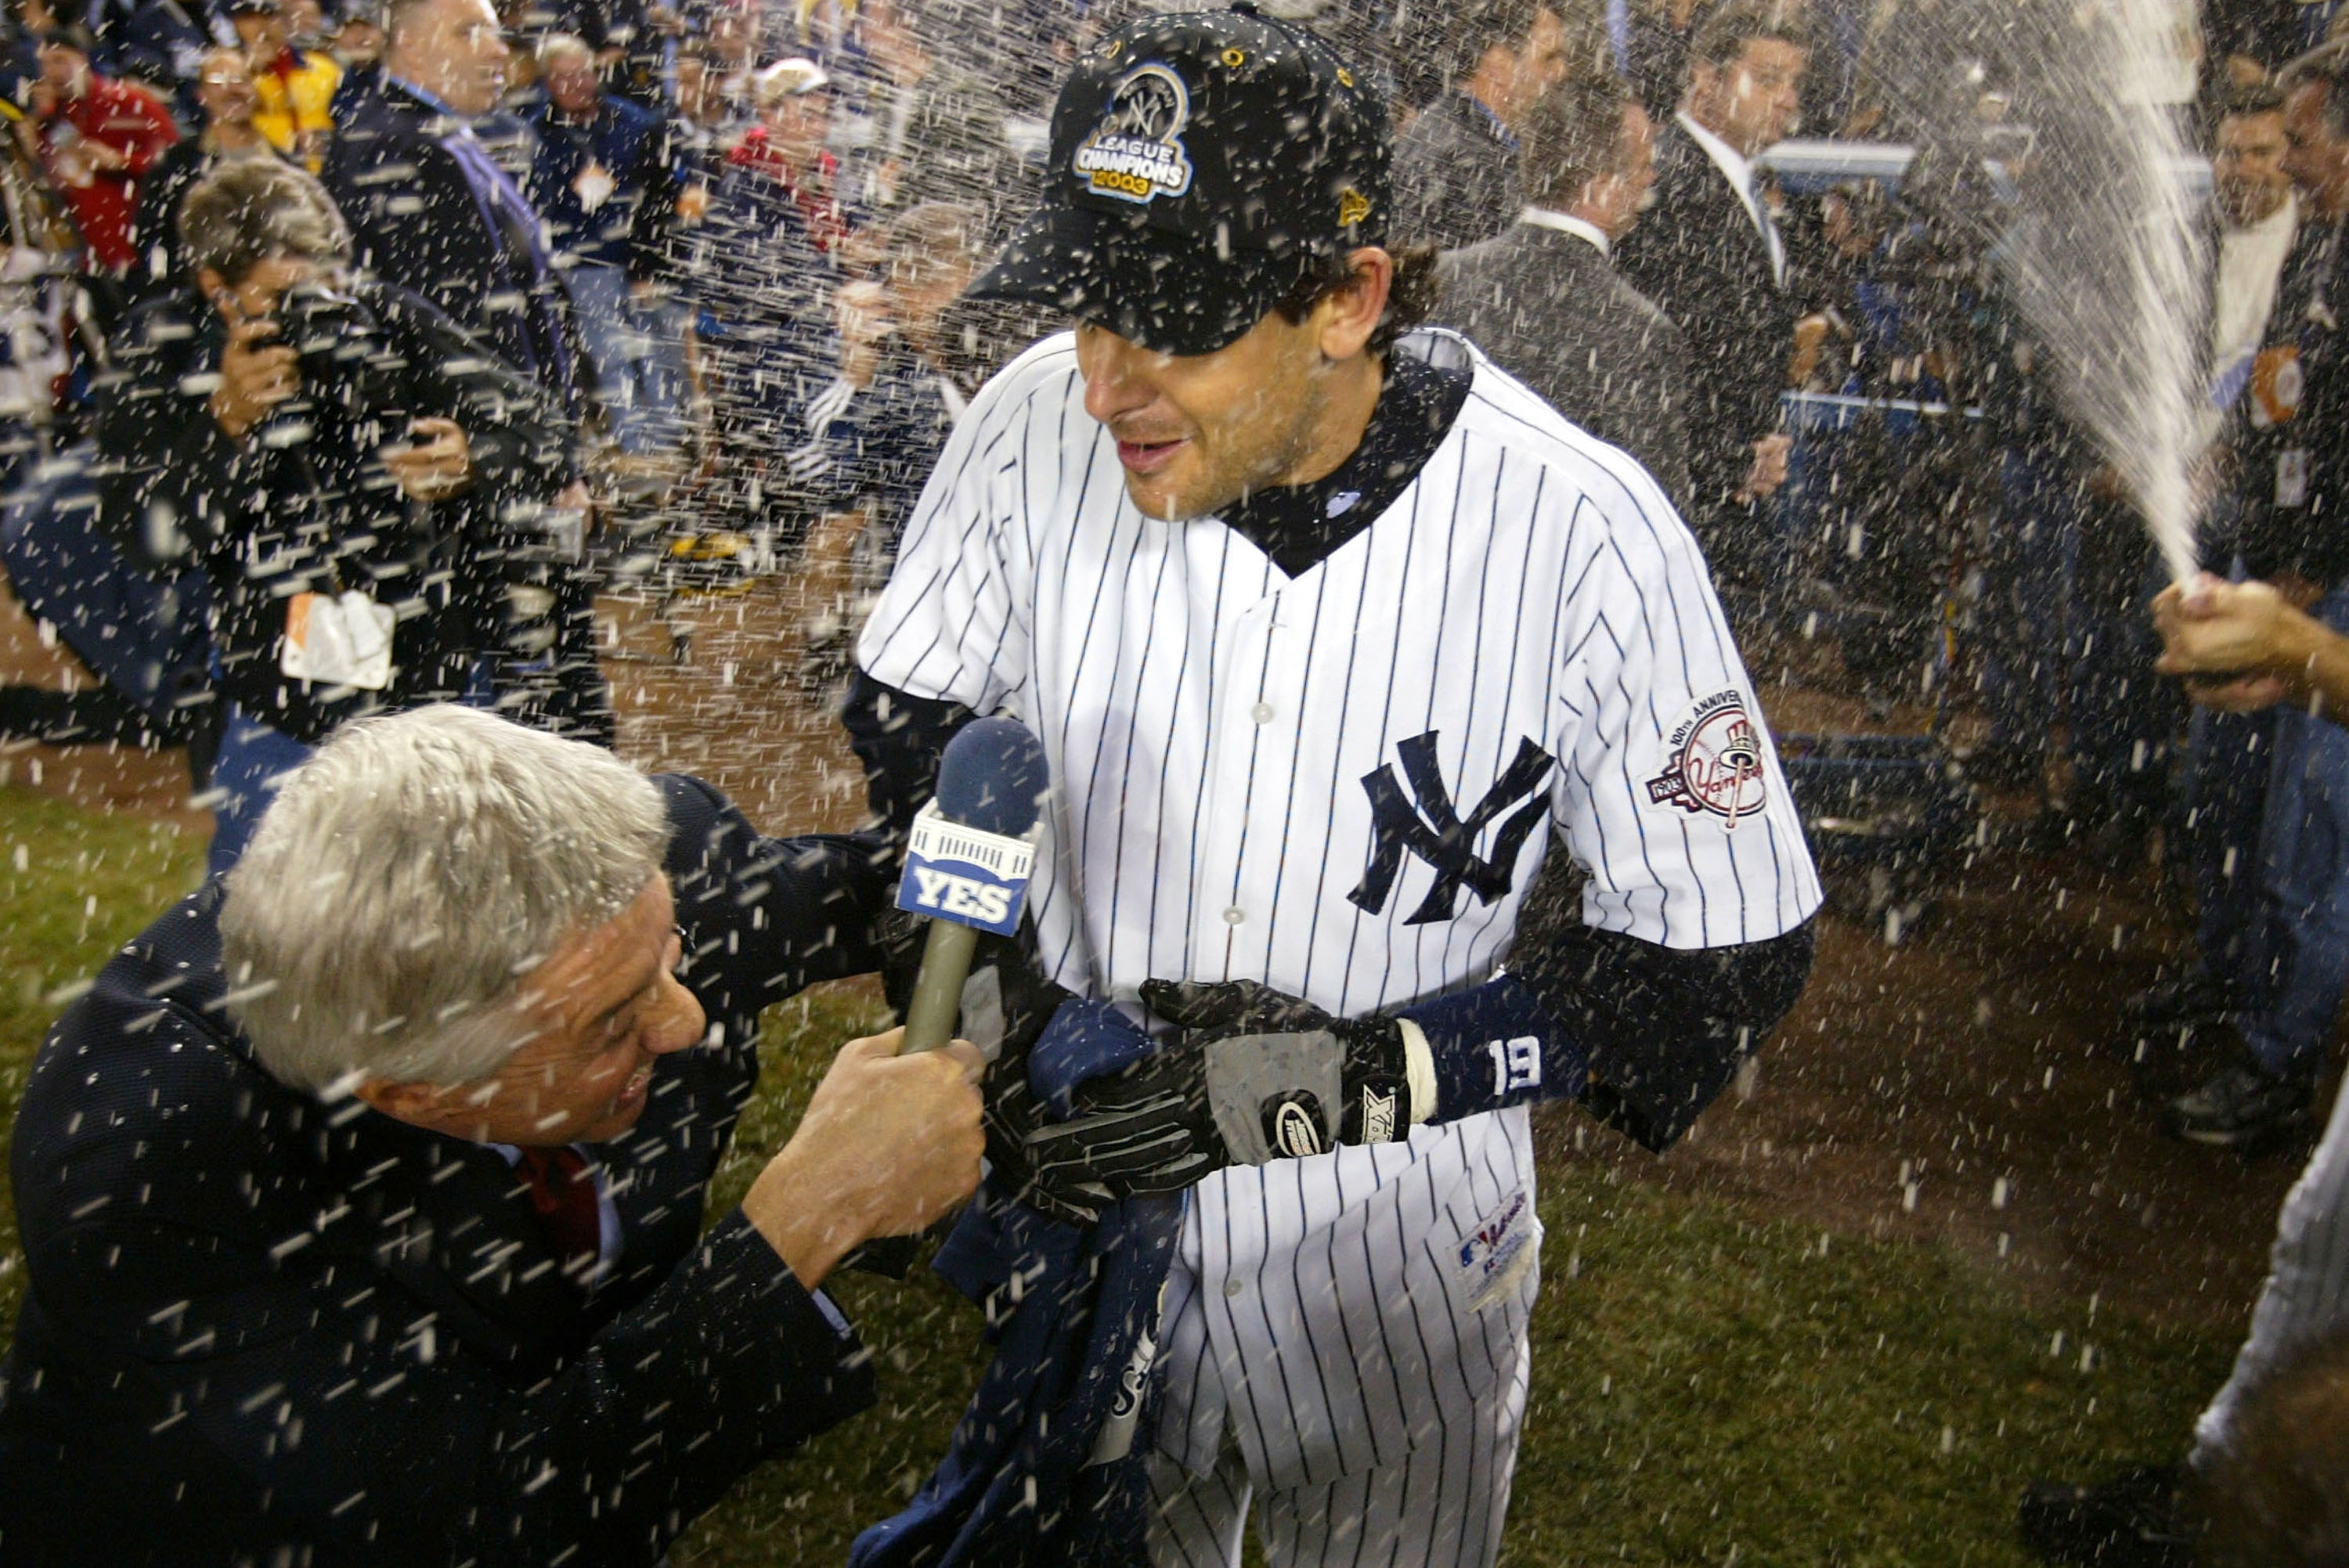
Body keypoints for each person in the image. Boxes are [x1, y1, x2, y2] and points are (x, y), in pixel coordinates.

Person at [845, 9, 1823, 1563]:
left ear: (1351, 298)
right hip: (1095, 1228)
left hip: (1401, 1258)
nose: (1106, 382)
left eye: (1172, 321)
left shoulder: (1580, 527)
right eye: (1095, 303)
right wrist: (1007, 1008)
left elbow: (1719, 957)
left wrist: (1335, 1079)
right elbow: (910, 722)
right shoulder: (1034, 419)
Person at [0, 703, 985, 1564]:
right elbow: (492, 1522)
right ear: (415, 1091)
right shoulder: (157, 1182)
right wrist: (801, 1225)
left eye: (669, 953)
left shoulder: (618, 897)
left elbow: (872, 892)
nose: (684, 1019)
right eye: (612, 1025)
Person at [94, 158, 576, 871]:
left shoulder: (378, 312)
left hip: (429, 680)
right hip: (279, 705)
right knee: (263, 927)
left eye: (326, 282)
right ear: (215, 289)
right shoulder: (163, 346)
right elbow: (146, 536)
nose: (314, 309)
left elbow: (543, 429)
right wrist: (224, 421)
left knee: (452, 919)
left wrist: (472, 456)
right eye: (284, 294)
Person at [2155, 38, 2349, 1148]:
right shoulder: (2325, 254)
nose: (2298, 155)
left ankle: (2279, 1062)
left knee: (2312, 834)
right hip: (2274, 564)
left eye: (2310, 135)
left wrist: (2311, 566)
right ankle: (2229, 982)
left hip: (2322, 590)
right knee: (2230, 797)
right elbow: (2293, 408)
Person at [323, 0, 609, 744]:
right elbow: (449, 344)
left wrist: (563, 438)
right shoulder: (387, 144)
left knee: (537, 707)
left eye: (494, 30)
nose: (495, 49)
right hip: (469, 489)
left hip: (503, 465)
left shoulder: (440, 136)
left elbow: (522, 307)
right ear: (407, 47)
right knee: (509, 719)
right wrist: (534, 459)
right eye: (467, 31)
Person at [1614, 0, 1806, 598]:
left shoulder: (1742, 183)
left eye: (1795, 84)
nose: (1788, 100)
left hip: (1721, 496)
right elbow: (1663, 355)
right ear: (1705, 79)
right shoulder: (1669, 183)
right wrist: (1729, 459)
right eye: (1768, 79)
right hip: (1678, 499)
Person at [1437, 70, 1688, 508]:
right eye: (1644, 165)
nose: (1651, 180)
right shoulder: (1640, 332)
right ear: (1601, 182)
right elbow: (1654, 515)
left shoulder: (1440, 281)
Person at [522, 31, 686, 455]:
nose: (574, 85)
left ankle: (670, 442)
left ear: (597, 72)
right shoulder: (536, 135)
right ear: (547, 83)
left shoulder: (635, 121)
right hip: (583, 264)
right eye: (561, 78)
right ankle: (638, 448)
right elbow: (536, 206)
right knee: (611, 360)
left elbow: (660, 193)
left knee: (656, 355)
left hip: (638, 257)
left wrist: (648, 262)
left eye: (581, 74)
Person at [18, 24, 179, 320]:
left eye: (61, 60)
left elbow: (176, 164)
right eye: (45, 64)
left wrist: (122, 161)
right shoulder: (49, 122)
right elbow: (45, 184)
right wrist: (30, 142)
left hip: (139, 250)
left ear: (84, 59)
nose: (54, 72)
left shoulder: (130, 101)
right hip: (86, 258)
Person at [1387, 0, 1573, 251]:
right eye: (1549, 59)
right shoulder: (1453, 160)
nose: (1561, 73)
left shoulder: (1473, 141)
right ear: (1498, 65)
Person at [130, 44, 288, 296]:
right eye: (219, 81)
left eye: (240, 80)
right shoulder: (176, 166)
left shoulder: (287, 167)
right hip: (201, 306)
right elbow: (151, 235)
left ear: (255, 91)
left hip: (279, 300)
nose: (232, 90)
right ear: (201, 95)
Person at [846, 0, 1012, 225]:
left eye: (870, 24)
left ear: (905, 26)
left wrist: (904, 181)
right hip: (908, 238)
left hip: (953, 237)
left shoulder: (961, 92)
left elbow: (983, 176)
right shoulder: (888, 98)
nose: (862, 35)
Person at [229, 0, 341, 168]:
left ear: (284, 20)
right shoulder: (233, 76)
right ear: (237, 26)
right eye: (250, 19)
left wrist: (327, 139)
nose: (262, 26)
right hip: (267, 170)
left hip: (327, 169)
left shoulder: (324, 68)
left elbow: (348, 119)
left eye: (269, 17)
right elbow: (227, 123)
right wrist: (249, 72)